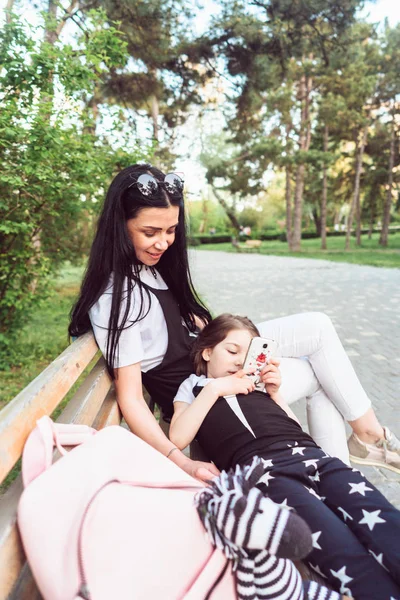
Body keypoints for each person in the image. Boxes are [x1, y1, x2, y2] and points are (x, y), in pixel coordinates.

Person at [68, 163, 400, 482]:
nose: (163, 242)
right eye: (150, 232)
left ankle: (349, 461)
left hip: (212, 361)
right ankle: (355, 457)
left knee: (317, 327)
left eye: (171, 230)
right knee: (320, 374)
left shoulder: (147, 269)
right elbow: (130, 399)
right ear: (119, 226)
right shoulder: (119, 298)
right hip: (202, 392)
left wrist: (194, 322)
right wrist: (180, 462)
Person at [169, 314, 400, 600]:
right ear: (207, 351)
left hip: (311, 457)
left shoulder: (259, 386)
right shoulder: (194, 388)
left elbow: (293, 427)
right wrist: (215, 389)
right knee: (335, 544)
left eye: (249, 354)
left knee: (380, 517)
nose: (241, 362)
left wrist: (275, 395)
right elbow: (178, 437)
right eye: (232, 351)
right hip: (263, 473)